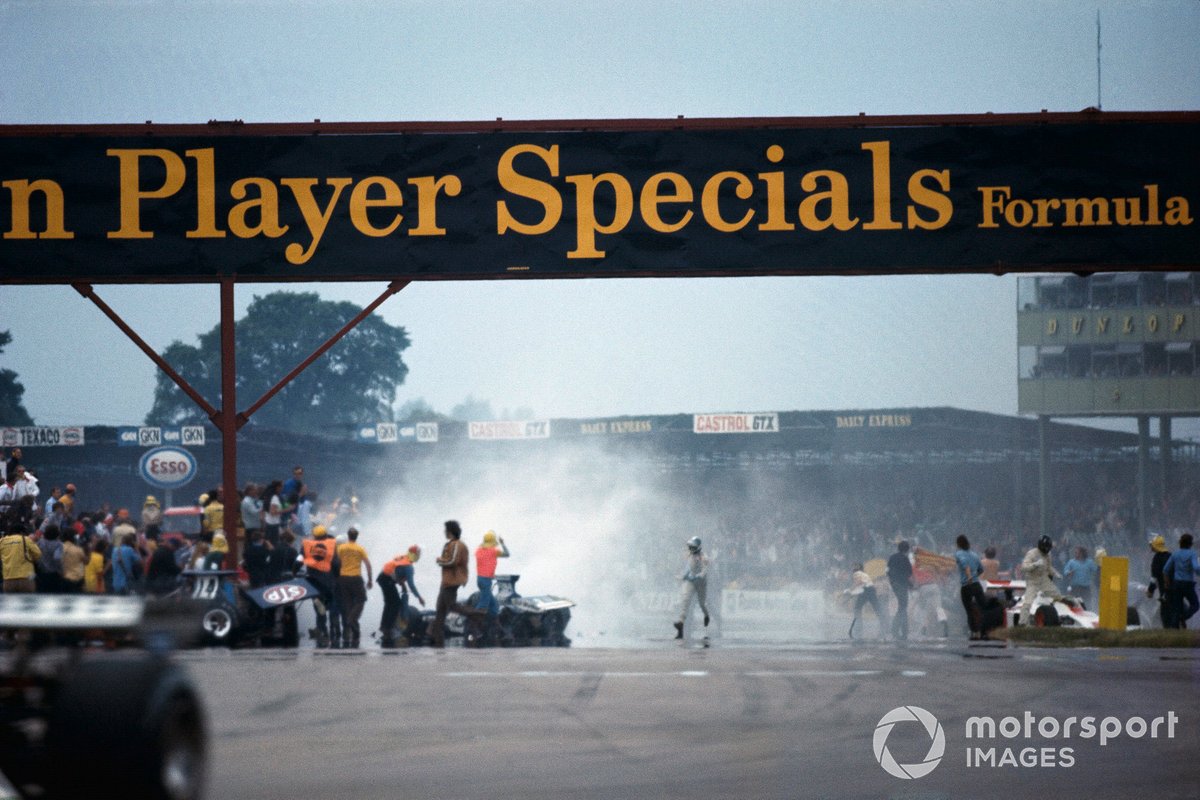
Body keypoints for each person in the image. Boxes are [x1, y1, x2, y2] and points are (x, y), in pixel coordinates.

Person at [301, 524, 339, 647]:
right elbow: (336, 563)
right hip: (329, 582)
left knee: (319, 607)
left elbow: (299, 560)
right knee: (332, 605)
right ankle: (335, 629)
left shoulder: (306, 547)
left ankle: (322, 629)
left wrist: (295, 572)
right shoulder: (332, 546)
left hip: (314, 583)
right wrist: (336, 576)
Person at [378, 545, 424, 647]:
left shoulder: (404, 558)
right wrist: (419, 597)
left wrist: (402, 585)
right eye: (418, 554)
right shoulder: (409, 567)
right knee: (395, 604)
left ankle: (384, 626)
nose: (419, 557)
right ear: (415, 555)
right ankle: (388, 628)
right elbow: (411, 585)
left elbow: (396, 571)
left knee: (389, 603)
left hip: (382, 578)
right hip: (387, 580)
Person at [432, 519, 469, 648]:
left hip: (453, 580)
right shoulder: (450, 544)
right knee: (440, 608)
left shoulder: (457, 545)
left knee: (451, 606)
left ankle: (477, 615)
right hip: (447, 580)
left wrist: (440, 561)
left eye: (446, 530)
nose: (444, 533)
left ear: (450, 532)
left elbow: (453, 561)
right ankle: (436, 635)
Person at [336, 527, 373, 648]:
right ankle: (352, 620)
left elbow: (338, 562)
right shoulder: (360, 548)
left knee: (348, 604)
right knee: (362, 600)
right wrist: (370, 580)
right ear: (357, 536)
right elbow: (368, 564)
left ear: (348, 536)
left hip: (343, 578)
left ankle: (355, 630)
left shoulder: (341, 548)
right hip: (356, 577)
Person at [673, 536, 710, 639]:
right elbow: (687, 569)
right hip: (691, 581)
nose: (690, 548)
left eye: (692, 547)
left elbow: (704, 571)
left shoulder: (704, 557)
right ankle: (680, 624)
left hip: (701, 583)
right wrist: (681, 577)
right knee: (685, 601)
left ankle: (706, 615)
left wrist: (697, 576)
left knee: (702, 604)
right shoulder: (690, 556)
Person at [1018, 535, 1060, 625]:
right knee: (1027, 603)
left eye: (1049, 547)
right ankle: (1022, 623)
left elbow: (1049, 567)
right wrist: (1035, 564)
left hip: (1044, 581)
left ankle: (1058, 614)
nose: (1047, 549)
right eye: (1046, 547)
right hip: (1033, 582)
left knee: (1058, 597)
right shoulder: (1032, 553)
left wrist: (1055, 573)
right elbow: (1024, 567)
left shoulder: (1048, 555)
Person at [1162, 533, 1199, 629]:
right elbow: (1196, 567)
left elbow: (1165, 569)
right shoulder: (1192, 554)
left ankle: (1174, 630)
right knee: (1195, 605)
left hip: (1177, 584)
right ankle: (1183, 617)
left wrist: (1166, 583)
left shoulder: (1175, 554)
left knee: (1176, 608)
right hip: (1188, 584)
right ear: (1190, 544)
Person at [954, 535, 987, 640]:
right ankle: (984, 628)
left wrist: (969, 577)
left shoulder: (959, 554)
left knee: (969, 609)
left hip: (966, 586)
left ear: (959, 544)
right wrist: (974, 576)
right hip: (977, 585)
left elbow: (965, 565)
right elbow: (981, 569)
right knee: (983, 607)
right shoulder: (974, 555)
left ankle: (974, 630)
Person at [473, 530, 510, 619]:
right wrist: (502, 543)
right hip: (486, 580)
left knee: (494, 605)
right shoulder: (493, 551)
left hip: (480, 579)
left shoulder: (479, 550)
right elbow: (507, 554)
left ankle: (492, 621)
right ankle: (474, 619)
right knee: (483, 605)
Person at [847, 563, 887, 639]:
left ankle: (858, 629)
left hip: (866, 591)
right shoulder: (863, 574)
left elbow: (857, 584)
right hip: (870, 591)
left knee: (857, 609)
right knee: (877, 609)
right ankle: (883, 628)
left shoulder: (858, 574)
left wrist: (850, 591)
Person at [0, 520, 41, 594]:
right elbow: (38, 554)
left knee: (9, 604)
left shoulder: (2, 541)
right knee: (27, 603)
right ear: (22, 532)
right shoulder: (26, 539)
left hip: (8, 579)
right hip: (26, 578)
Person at [887, 540, 914, 640]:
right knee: (903, 607)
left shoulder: (892, 557)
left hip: (894, 585)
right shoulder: (905, 559)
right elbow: (909, 573)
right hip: (902, 585)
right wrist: (910, 584)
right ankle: (898, 630)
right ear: (907, 549)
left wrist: (893, 581)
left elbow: (888, 571)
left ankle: (902, 631)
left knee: (902, 606)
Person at [1148, 535, 1175, 629]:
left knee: (1165, 612)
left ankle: (1168, 630)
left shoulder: (1156, 559)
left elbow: (1154, 578)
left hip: (1165, 590)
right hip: (1175, 588)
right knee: (1174, 610)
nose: (1151, 547)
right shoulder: (1170, 556)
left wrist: (1150, 591)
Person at [60, 529, 87, 593]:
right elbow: (86, 562)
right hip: (77, 579)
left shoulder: (59, 548)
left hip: (63, 579)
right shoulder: (78, 550)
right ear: (74, 538)